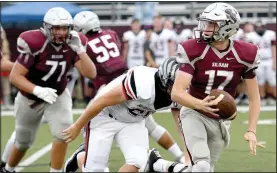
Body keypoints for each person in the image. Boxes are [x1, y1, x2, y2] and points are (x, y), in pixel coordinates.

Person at [148, 2, 265, 172]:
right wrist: (200, 104)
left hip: (220, 119)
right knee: (202, 166)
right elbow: (177, 93)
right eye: (206, 22)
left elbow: (254, 98)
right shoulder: (194, 49)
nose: (206, 28)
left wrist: (252, 130)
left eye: (212, 24)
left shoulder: (246, 54)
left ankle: (158, 165)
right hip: (193, 113)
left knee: (204, 169)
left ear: (227, 27)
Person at [2, 7, 97, 173]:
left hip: (57, 95)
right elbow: (15, 77)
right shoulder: (34, 41)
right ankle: (8, 169)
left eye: (65, 28)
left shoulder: (75, 41)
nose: (61, 32)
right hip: (30, 98)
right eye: (56, 28)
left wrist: (80, 50)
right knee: (23, 141)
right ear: (47, 28)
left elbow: (91, 73)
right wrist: (37, 90)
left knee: (63, 134)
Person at [62, 57, 185, 172]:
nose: (177, 89)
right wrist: (77, 126)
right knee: (94, 170)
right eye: (172, 85)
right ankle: (79, 156)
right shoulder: (143, 83)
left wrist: (187, 158)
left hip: (134, 121)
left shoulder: (180, 93)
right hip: (105, 116)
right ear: (163, 81)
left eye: (180, 84)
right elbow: (101, 101)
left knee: (138, 162)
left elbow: (182, 125)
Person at [74, 11, 128, 102]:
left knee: (93, 113)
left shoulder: (85, 43)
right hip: (126, 76)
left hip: (107, 83)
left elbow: (87, 70)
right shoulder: (111, 33)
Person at [254, 20, 276, 105]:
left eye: (261, 27)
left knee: (272, 80)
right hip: (259, 61)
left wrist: (274, 62)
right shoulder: (252, 36)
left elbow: (274, 48)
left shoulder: (270, 34)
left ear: (264, 27)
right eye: (258, 27)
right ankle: (262, 98)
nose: (259, 29)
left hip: (269, 60)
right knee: (260, 80)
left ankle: (273, 97)